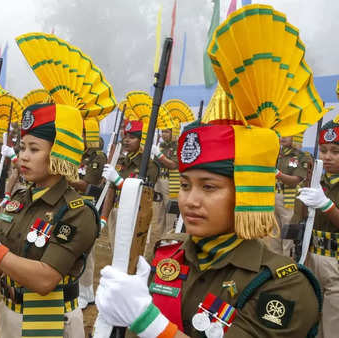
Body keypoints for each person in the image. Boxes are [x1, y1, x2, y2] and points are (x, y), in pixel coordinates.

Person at [95, 5, 322, 337]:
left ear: (247, 191)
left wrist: (148, 321)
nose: (190, 200)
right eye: (186, 185)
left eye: (209, 187)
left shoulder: (283, 285)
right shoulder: (169, 259)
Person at [0, 103, 100, 338]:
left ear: (59, 153)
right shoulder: (19, 201)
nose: (23, 156)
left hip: (50, 321)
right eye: (22, 147)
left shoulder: (77, 211)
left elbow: (45, 279)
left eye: (34, 149)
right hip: (10, 312)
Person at [291, 118, 339, 338]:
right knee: (308, 322)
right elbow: (298, 218)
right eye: (324, 150)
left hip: (335, 262)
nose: (327, 156)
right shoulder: (315, 179)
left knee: (332, 326)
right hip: (310, 256)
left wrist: (327, 205)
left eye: (335, 151)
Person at [101, 119, 158, 250]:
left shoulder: (150, 166)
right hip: (116, 212)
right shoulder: (121, 162)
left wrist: (118, 181)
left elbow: (143, 193)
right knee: (115, 253)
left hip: (136, 215)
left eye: (132, 137)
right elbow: (111, 191)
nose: (126, 140)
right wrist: (104, 218)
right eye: (125, 136)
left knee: (133, 255)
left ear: (141, 141)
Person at [69, 117, 107, 309]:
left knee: (86, 250)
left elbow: (88, 185)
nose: (80, 136)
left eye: (83, 133)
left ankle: (85, 292)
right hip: (72, 203)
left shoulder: (97, 157)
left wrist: (65, 176)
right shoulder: (75, 152)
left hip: (88, 204)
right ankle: (78, 289)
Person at [271, 135, 309, 256]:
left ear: (296, 135)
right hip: (273, 197)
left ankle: (288, 266)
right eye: (282, 133)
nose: (283, 137)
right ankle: (274, 266)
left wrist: (277, 174)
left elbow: (295, 181)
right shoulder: (275, 153)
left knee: (288, 239)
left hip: (289, 201)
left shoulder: (301, 156)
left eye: (289, 133)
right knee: (273, 236)